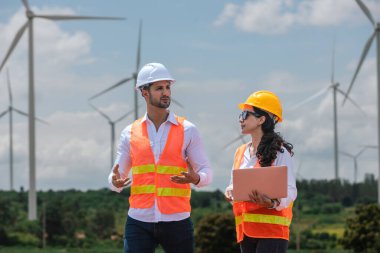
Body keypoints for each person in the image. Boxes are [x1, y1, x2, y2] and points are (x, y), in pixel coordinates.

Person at [108, 62, 213, 253]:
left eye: (168, 87)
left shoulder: (188, 130)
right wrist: (115, 182)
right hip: (138, 221)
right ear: (144, 92)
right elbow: (115, 177)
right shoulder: (129, 133)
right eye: (159, 88)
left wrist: (196, 178)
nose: (166, 93)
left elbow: (207, 173)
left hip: (177, 221)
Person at [224, 90, 297, 253]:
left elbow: (291, 191)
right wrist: (230, 192)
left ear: (261, 119)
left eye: (245, 114)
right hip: (246, 232)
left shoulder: (280, 152)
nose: (240, 119)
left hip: (272, 233)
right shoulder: (240, 152)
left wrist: (272, 203)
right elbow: (233, 185)